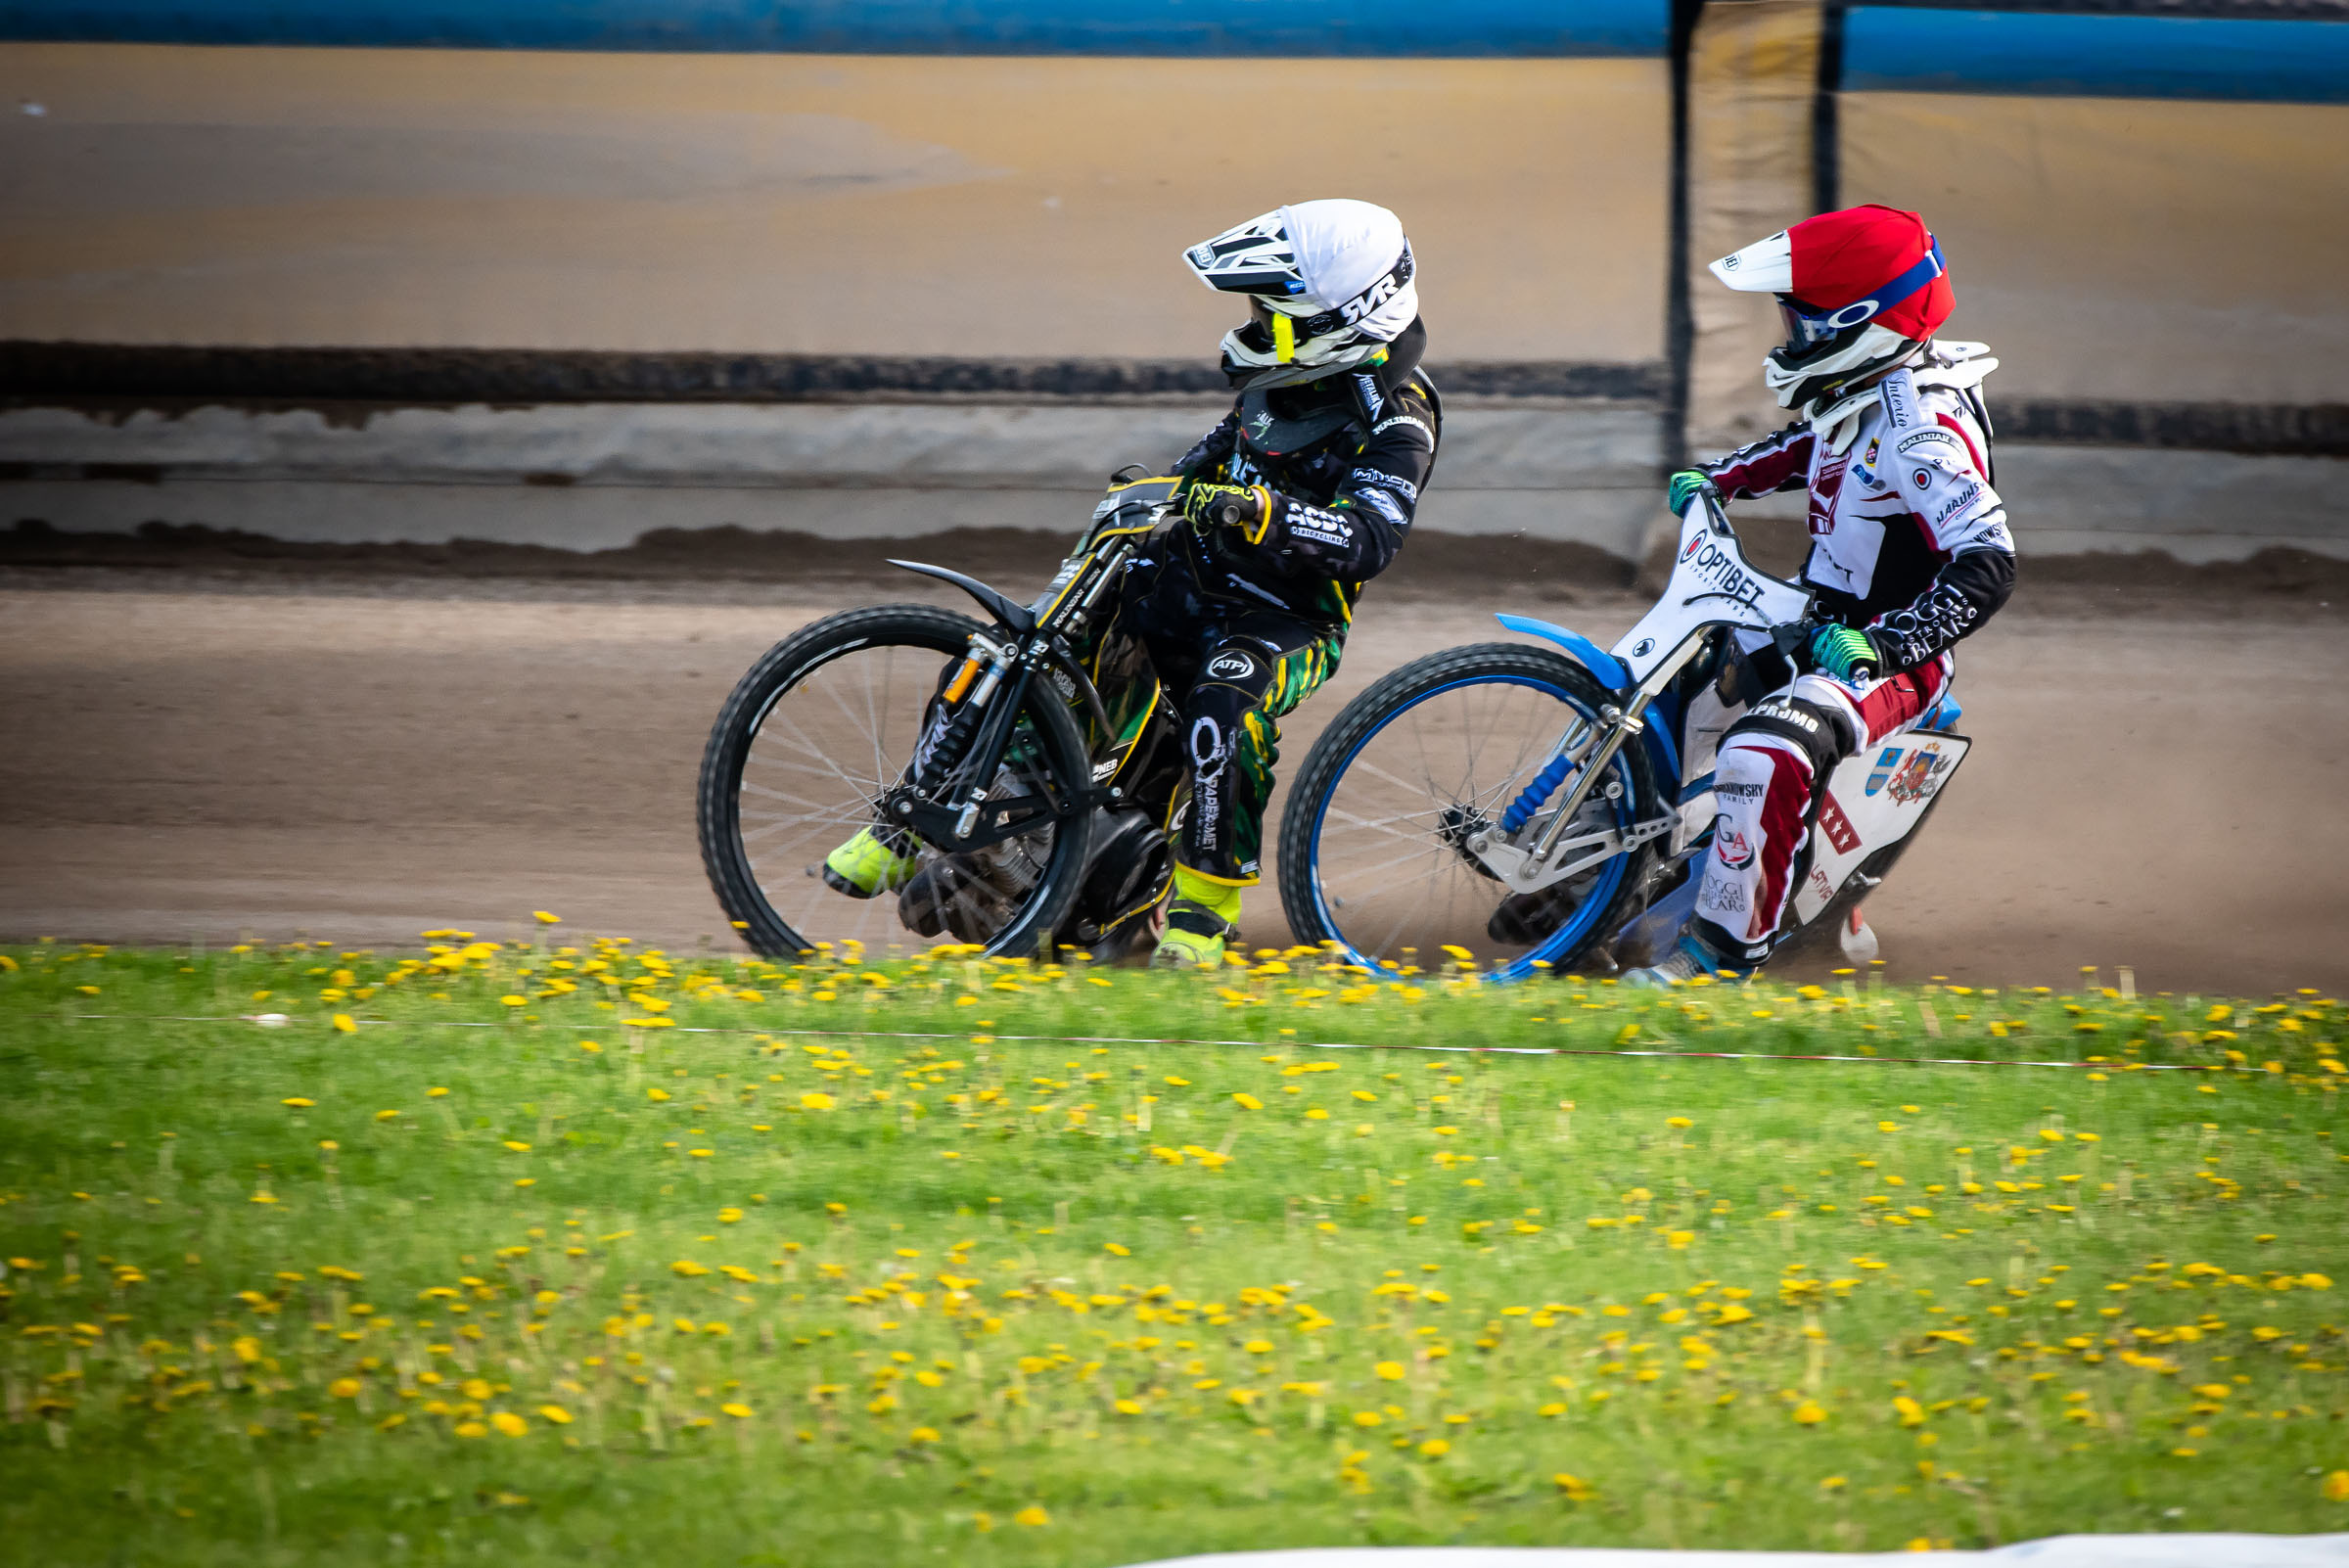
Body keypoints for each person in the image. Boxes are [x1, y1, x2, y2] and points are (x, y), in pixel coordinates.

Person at [823, 199, 1440, 969]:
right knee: (1017, 647)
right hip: (1186, 576)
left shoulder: (1401, 419)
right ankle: (913, 825)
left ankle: (1204, 915)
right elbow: (1202, 463)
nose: (1253, 327)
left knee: (1226, 701)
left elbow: (1371, 539)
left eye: (1270, 317)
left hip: (1286, 621)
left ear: (1338, 323)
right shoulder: (1277, 379)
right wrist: (1152, 494)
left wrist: (1258, 511)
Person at [1628, 204, 2012, 985]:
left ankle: (1718, 959)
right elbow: (1814, 444)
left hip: (1889, 659)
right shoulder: (1869, 386)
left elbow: (1989, 563)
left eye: (1803, 325)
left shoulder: (1924, 432)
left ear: (1863, 324)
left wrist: (1885, 646)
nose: (1789, 340)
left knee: (1765, 750)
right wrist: (1723, 478)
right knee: (1666, 688)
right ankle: (1599, 879)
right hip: (1814, 617)